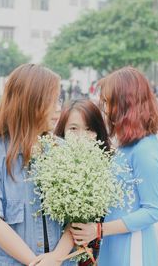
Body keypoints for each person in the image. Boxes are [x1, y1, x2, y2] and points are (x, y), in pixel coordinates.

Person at [0, 64, 75, 266]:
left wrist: (55, 259)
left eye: (59, 100)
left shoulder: (64, 151)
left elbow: (77, 215)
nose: (59, 107)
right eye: (53, 100)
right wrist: (36, 263)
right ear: (30, 102)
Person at [70, 67, 158, 266]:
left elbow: (152, 211)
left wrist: (99, 230)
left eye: (107, 102)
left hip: (132, 249)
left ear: (124, 103)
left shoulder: (144, 150)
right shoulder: (126, 145)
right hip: (113, 244)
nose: (104, 108)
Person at [53, 99, 111, 266]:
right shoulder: (51, 165)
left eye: (89, 129)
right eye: (73, 129)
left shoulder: (109, 165)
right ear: (62, 131)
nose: (81, 137)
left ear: (98, 132)